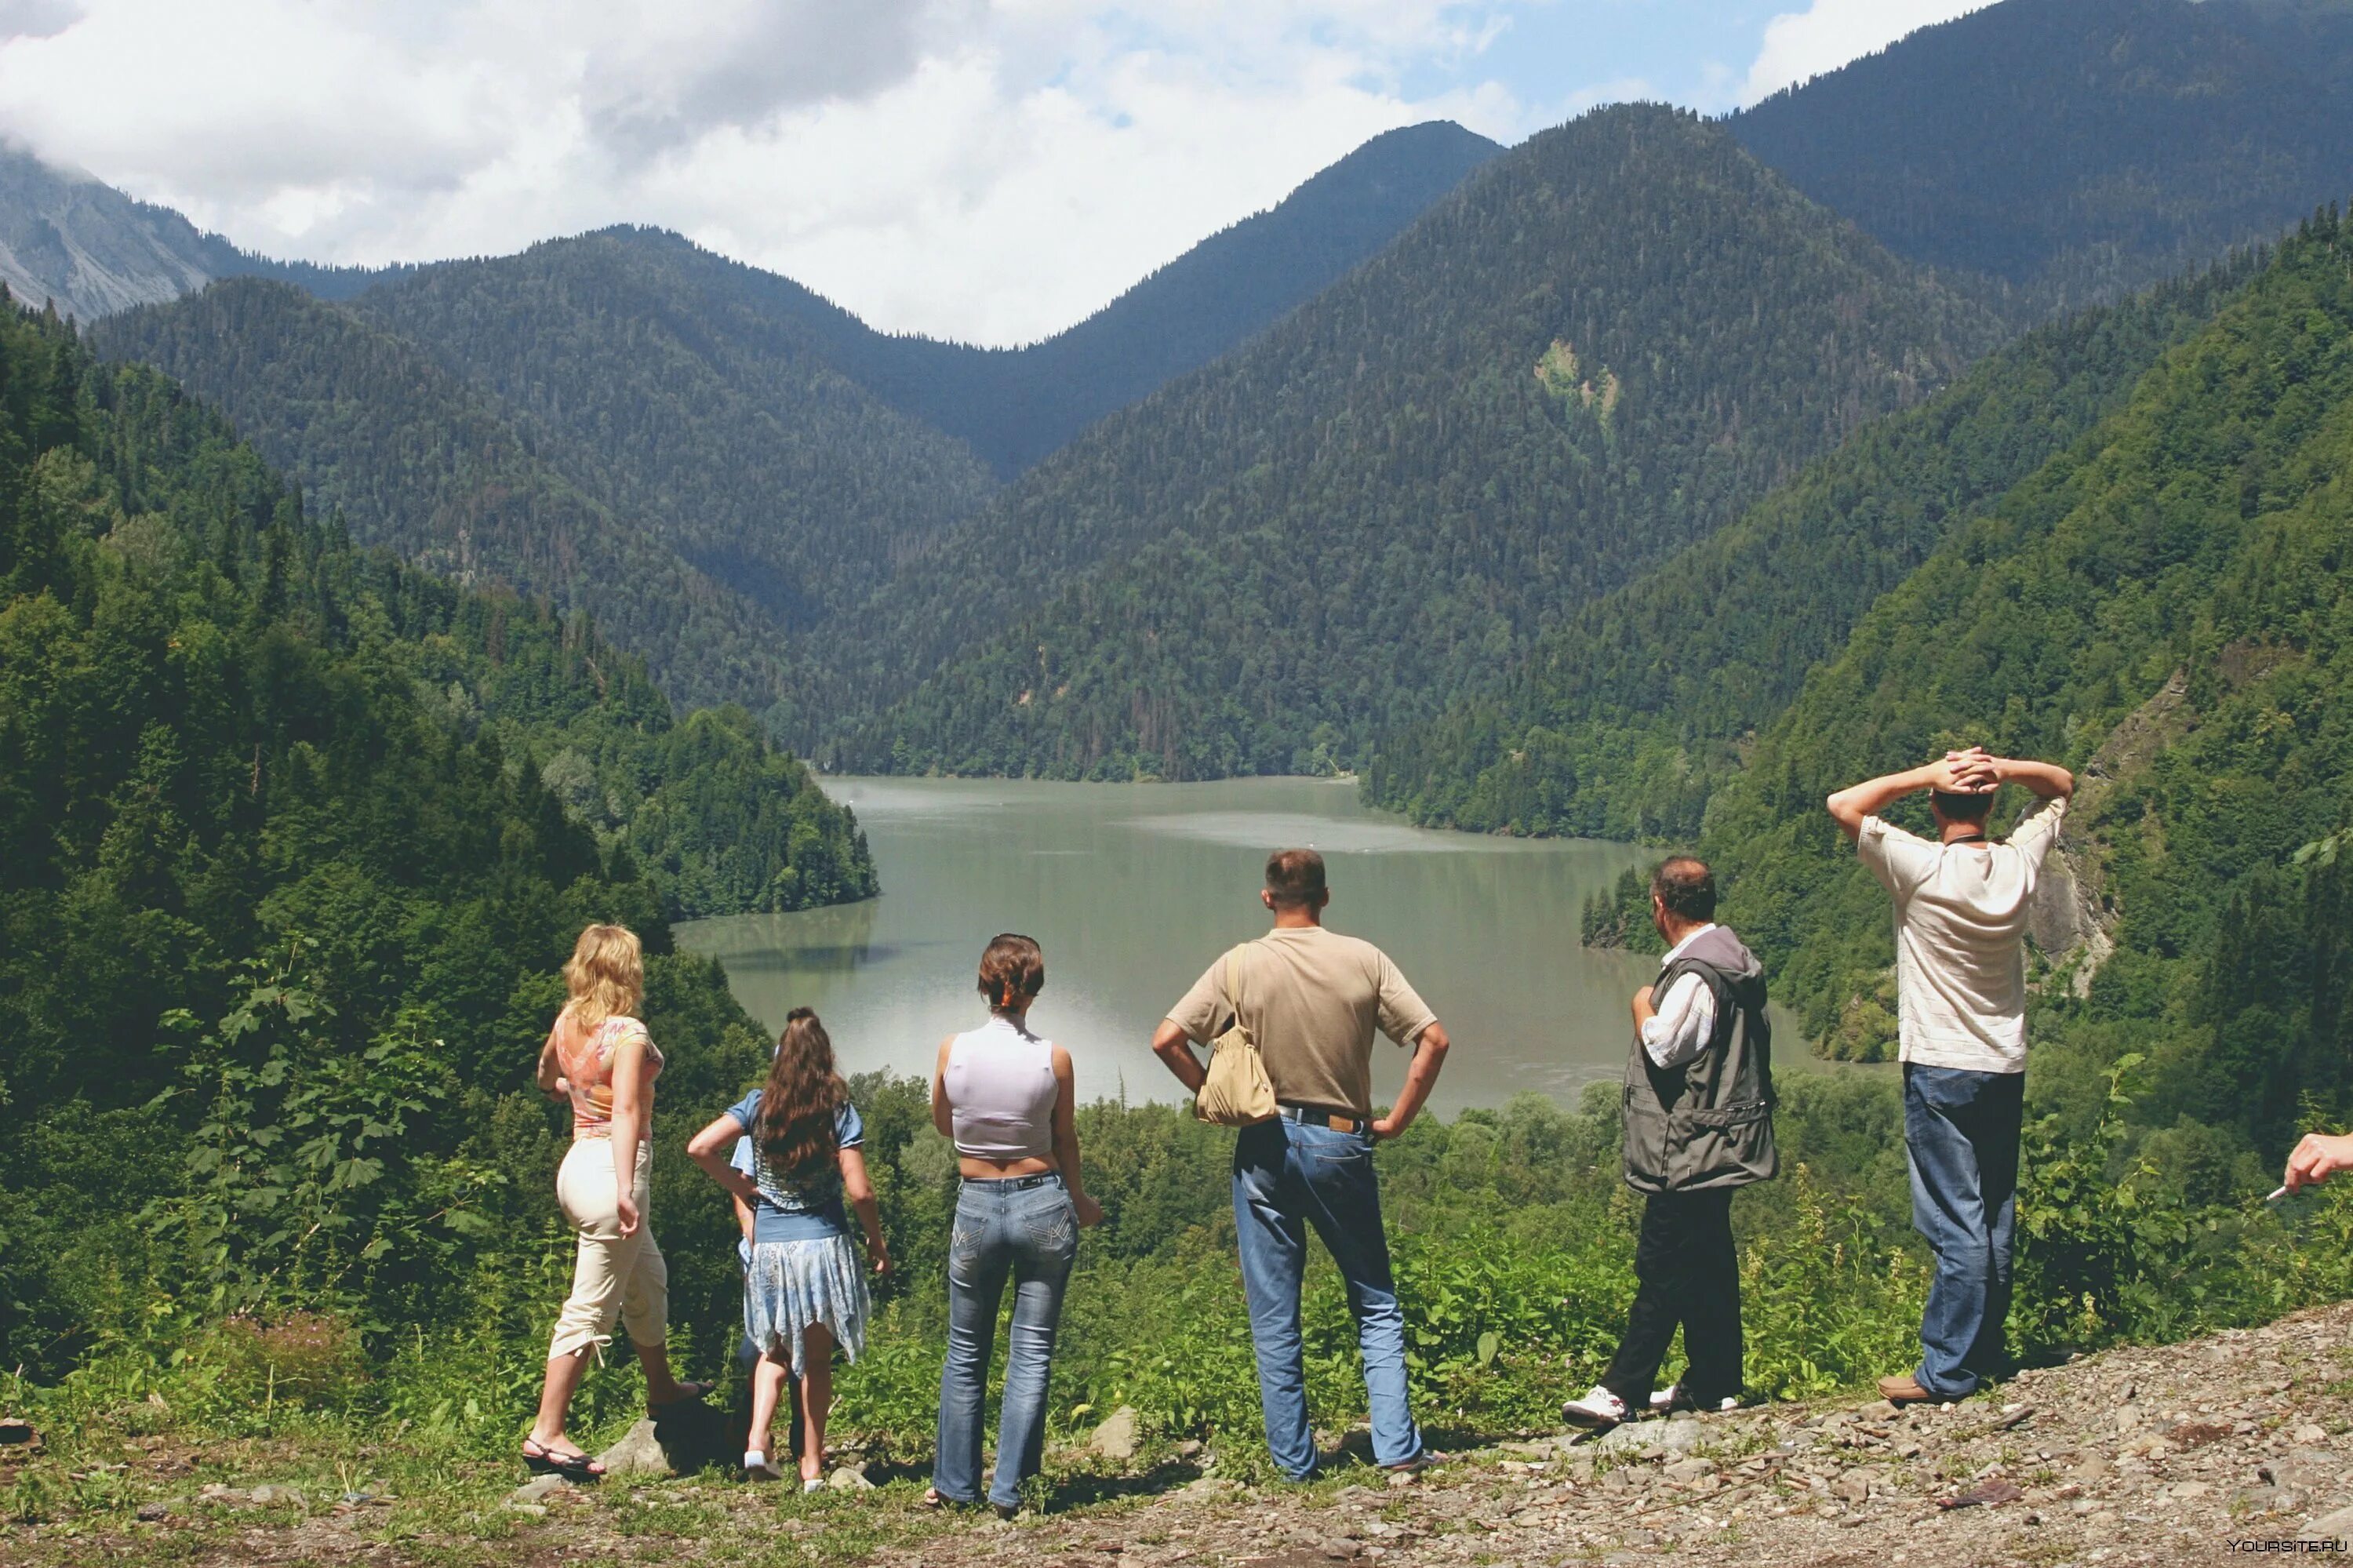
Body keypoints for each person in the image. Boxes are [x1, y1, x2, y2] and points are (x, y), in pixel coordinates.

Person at [1150, 849, 1452, 1482]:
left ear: (1267, 898)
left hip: (1263, 1139)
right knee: (1373, 1299)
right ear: (1325, 896)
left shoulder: (1240, 963)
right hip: (1341, 1140)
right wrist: (1396, 1118)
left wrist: (1215, 1093)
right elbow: (1433, 1037)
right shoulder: (1364, 958)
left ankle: (1295, 1465)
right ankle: (1397, 1448)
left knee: (1275, 1310)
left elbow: (1166, 1038)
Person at [1827, 746, 2074, 1406]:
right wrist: (2003, 767)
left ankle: (1946, 1370)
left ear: (1938, 804)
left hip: (1940, 1064)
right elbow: (2063, 785)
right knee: (1994, 1215)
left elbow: (1843, 805)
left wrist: (1925, 774)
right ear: (1991, 804)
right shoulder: (2019, 863)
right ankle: (1982, 1351)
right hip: (2003, 1061)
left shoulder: (1923, 866)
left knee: (1957, 1223)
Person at [1562, 856, 1776, 1432]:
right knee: (1709, 1261)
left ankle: (1619, 1388)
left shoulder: (1697, 975)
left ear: (1661, 905)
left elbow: (1665, 1046)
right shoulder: (1730, 959)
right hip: (1718, 1138)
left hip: (1690, 1147)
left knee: (1662, 1263)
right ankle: (1716, 1381)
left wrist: (1639, 1002)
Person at [525, 923, 711, 1481]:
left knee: (646, 1279)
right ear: (626, 970)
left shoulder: (568, 1020)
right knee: (589, 1306)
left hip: (576, 1166)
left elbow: (545, 1077)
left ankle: (662, 1388)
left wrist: (574, 1091)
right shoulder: (627, 1033)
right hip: (611, 1173)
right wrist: (626, 1188)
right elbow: (628, 1110)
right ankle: (547, 1430)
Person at [929, 934, 1104, 1516]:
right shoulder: (1055, 1058)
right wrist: (1079, 1199)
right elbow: (1065, 1137)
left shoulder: (952, 1049)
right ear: (1034, 989)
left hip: (976, 1201)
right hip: (1042, 1203)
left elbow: (943, 1122)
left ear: (984, 986)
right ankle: (1011, 1490)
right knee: (1030, 1352)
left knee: (965, 1350)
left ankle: (957, 1485)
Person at [687, 1008, 889, 1487]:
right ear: (825, 1059)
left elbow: (700, 1147)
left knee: (773, 1353)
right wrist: (877, 1243)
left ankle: (757, 1443)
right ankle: (812, 1467)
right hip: (821, 1248)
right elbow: (860, 1191)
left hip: (771, 1253)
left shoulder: (758, 1106)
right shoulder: (837, 1111)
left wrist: (741, 1187)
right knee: (816, 1362)